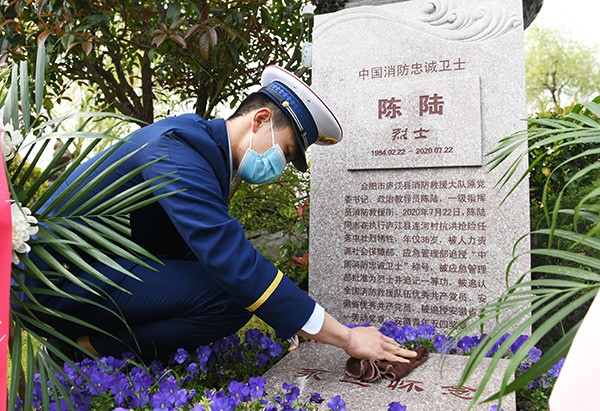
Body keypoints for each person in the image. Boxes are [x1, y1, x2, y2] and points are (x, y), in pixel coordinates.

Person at [17, 66, 416, 364]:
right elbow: (229, 261)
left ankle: (89, 346)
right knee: (231, 295)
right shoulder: (176, 151)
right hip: (57, 282)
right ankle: (83, 350)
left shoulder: (203, 154)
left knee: (234, 291)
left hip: (97, 271)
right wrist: (345, 337)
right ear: (261, 120)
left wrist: (286, 318)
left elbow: (195, 256)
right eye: (288, 150)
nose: (280, 163)